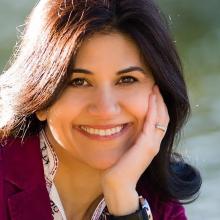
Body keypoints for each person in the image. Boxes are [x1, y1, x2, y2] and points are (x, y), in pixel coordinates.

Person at [0, 0, 202, 219]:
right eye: (79, 82)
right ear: (41, 98)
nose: (106, 109)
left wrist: (123, 199)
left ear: (160, 94)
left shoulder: (160, 207)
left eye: (127, 79)